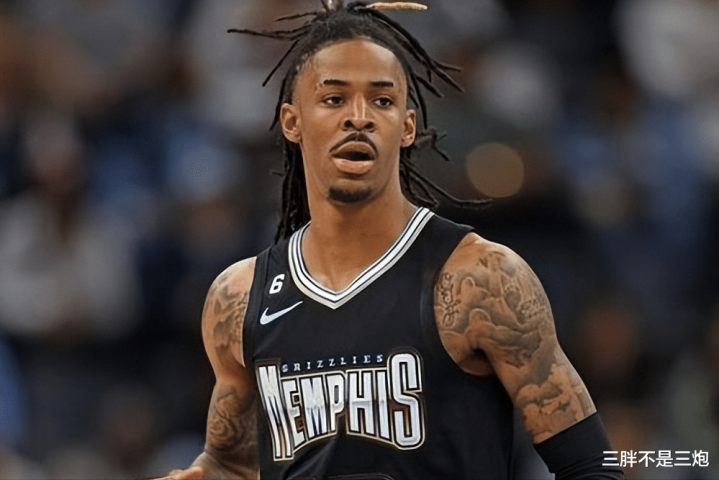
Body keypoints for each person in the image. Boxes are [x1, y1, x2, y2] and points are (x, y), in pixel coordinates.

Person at [157, 2, 623, 479]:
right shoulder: (238, 298)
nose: (359, 117)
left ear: (407, 127)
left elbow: (593, 464)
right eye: (334, 98)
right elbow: (231, 465)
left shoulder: (479, 280)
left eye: (381, 100)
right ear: (292, 122)